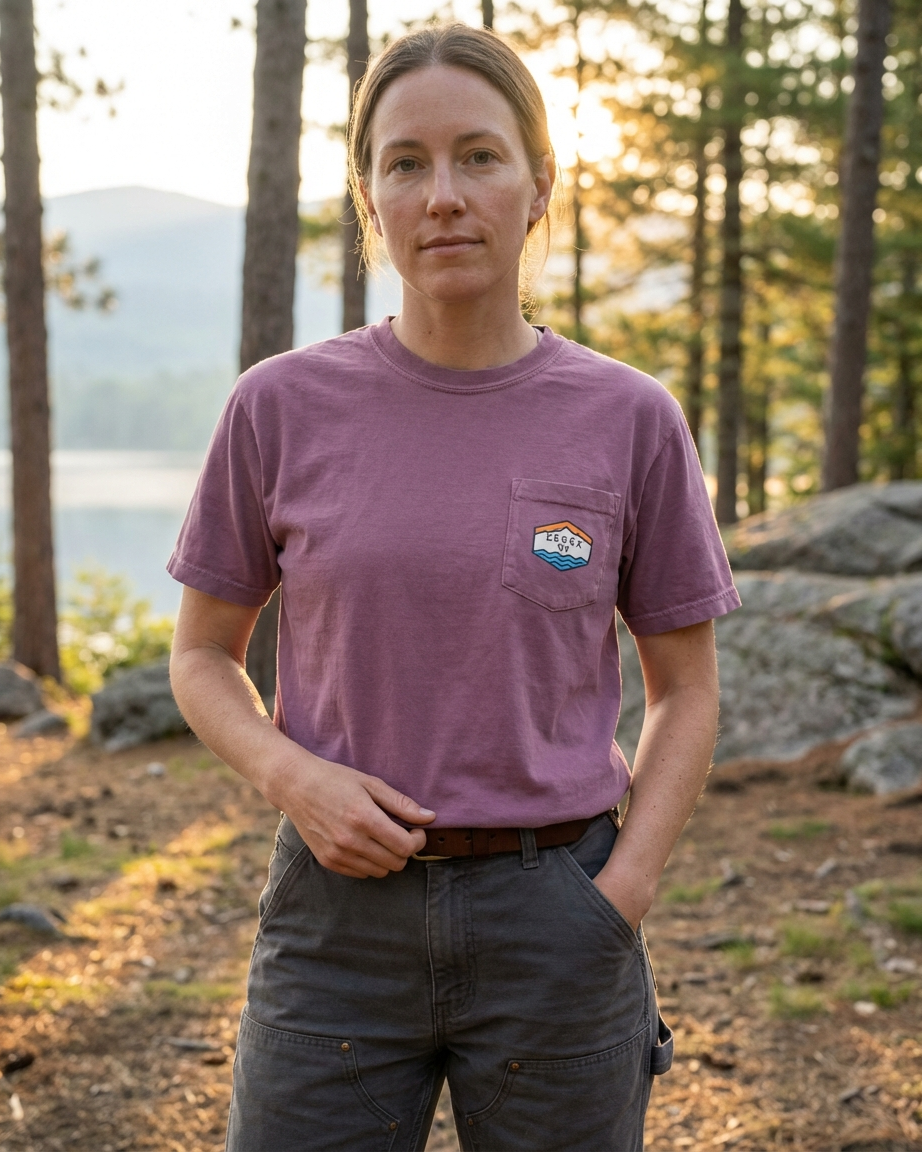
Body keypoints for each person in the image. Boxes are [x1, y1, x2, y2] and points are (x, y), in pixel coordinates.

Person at [168, 22, 740, 1152]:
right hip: (332, 926)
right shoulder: (277, 410)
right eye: (406, 163)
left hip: (558, 914)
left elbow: (687, 689)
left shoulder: (629, 420)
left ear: (537, 187)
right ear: (368, 199)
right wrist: (295, 780)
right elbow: (200, 657)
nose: (444, 196)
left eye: (479, 156)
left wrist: (616, 897)